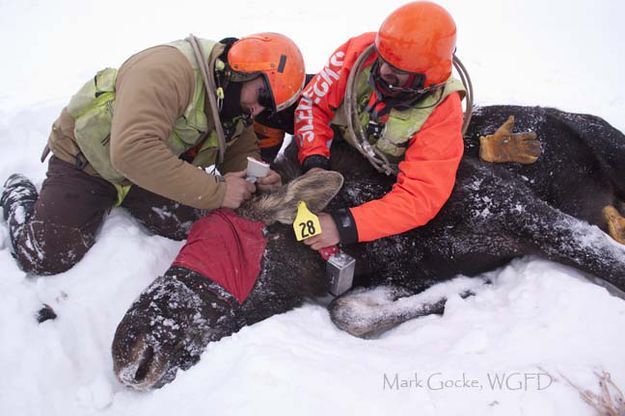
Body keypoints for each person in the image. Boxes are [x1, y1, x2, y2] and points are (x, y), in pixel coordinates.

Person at [0, 33, 306, 275]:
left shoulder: (232, 99)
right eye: (263, 95)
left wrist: (256, 174)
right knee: (47, 255)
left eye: (270, 106)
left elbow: (240, 149)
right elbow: (132, 149)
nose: (259, 109)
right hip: (90, 163)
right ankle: (17, 192)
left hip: (149, 172)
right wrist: (218, 190)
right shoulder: (169, 70)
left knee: (196, 224)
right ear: (243, 70)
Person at [294, 1, 466, 250]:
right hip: (343, 141)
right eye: (383, 59)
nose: (383, 70)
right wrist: (314, 162)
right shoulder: (359, 52)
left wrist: (343, 226)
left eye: (397, 70)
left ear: (424, 77)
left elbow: (420, 197)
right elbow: (312, 105)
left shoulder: (443, 110)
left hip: (385, 173)